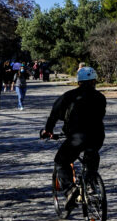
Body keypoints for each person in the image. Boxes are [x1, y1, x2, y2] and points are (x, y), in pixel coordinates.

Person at [40, 66, 106, 209]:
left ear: (79, 82)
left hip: (77, 137)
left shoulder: (69, 96)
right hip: (97, 136)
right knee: (92, 154)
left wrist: (48, 130)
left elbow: (54, 114)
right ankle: (91, 184)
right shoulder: (101, 97)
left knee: (60, 161)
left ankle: (70, 190)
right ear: (94, 81)